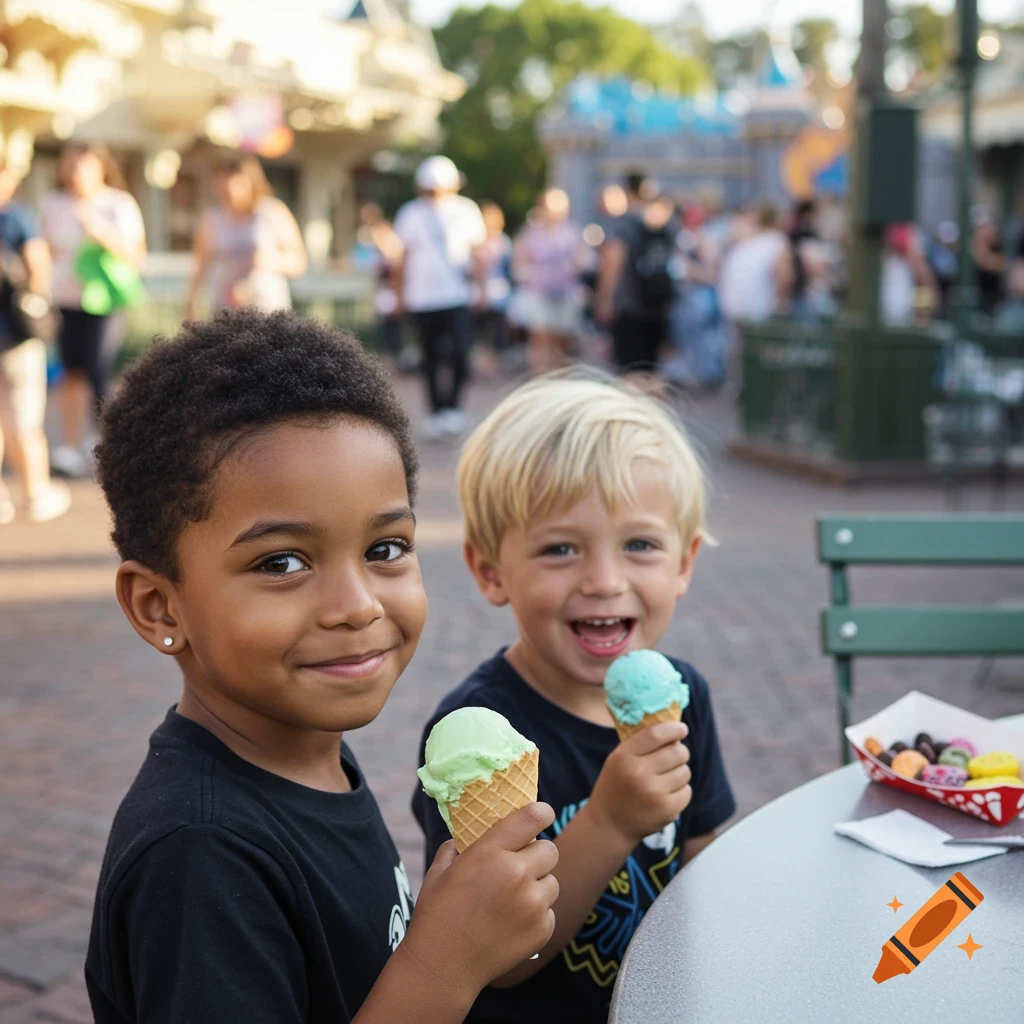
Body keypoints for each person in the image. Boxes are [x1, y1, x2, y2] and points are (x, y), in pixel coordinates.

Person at [86, 307, 560, 1024]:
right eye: (282, 562)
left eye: (385, 548)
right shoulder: (199, 857)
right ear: (160, 606)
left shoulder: (309, 758)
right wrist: (445, 961)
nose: (357, 604)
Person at [412, 371, 736, 1024]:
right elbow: (495, 962)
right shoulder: (477, 738)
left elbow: (702, 862)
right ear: (490, 571)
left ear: (685, 562)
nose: (604, 581)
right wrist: (610, 822)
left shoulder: (682, 697)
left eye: (640, 544)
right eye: (560, 548)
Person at [42, 144, 146, 478]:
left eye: (82, 166)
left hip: (105, 301)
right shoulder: (54, 204)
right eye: (69, 165)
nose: (74, 173)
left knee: (98, 371)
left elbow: (136, 254)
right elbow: (44, 251)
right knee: (70, 372)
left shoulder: (117, 203)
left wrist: (101, 234)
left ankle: (107, 444)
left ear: (100, 168)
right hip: (65, 300)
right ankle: (72, 445)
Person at [392, 156, 486, 441]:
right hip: (422, 297)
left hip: (456, 294)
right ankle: (436, 411)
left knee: (459, 351)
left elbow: (478, 253)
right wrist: (399, 294)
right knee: (430, 356)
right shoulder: (410, 214)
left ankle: (453, 407)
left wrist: (482, 288)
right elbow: (401, 258)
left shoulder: (466, 211)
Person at [0, 157, 70, 523]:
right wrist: (37, 303)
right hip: (15, 333)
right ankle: (34, 491)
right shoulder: (15, 218)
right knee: (23, 417)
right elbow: (37, 265)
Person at [186, 155, 307, 319]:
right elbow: (200, 268)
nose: (227, 193)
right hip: (226, 312)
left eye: (233, 186)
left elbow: (298, 262)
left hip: (268, 312)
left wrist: (268, 260)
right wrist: (191, 305)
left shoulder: (271, 213)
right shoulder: (211, 221)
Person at [595, 177, 679, 383]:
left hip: (630, 308)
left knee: (631, 371)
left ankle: (635, 413)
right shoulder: (665, 225)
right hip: (659, 304)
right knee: (652, 369)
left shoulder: (624, 225)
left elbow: (613, 263)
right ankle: (653, 411)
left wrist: (604, 298)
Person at [718, 202, 788, 326]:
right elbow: (785, 278)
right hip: (755, 314)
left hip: (739, 313)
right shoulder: (775, 241)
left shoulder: (751, 243)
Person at [476, 201, 513, 373]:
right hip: (479, 292)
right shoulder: (477, 241)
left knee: (497, 330)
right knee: (482, 330)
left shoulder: (503, 242)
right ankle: (483, 361)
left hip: (499, 292)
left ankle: (495, 362)